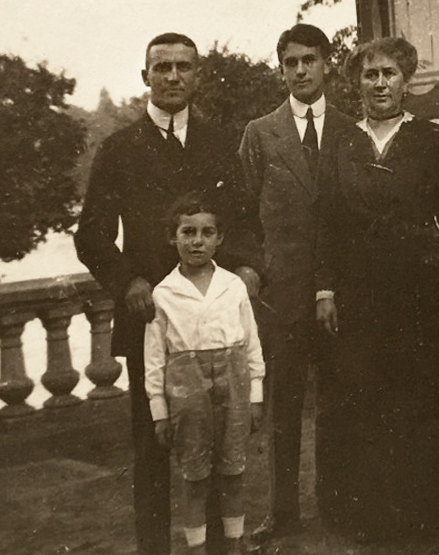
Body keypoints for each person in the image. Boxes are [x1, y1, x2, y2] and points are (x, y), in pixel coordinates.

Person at [75, 33, 253, 555]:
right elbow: (91, 234)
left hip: (217, 324)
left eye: (184, 67)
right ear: (146, 76)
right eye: (162, 67)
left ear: (197, 76)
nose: (173, 77)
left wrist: (247, 267)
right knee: (154, 446)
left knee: (224, 448)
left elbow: (243, 222)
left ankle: (222, 548)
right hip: (150, 318)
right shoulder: (120, 148)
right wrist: (128, 279)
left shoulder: (221, 142)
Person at [314, 37, 439, 540]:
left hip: (415, 294)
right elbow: (326, 222)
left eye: (389, 73)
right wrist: (325, 290)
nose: (379, 83)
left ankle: (419, 514)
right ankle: (369, 519)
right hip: (357, 295)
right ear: (357, 83)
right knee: (362, 397)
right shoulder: (342, 143)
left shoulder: (434, 140)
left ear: (407, 80)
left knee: (416, 397)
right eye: (370, 74)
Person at [238, 23, 353, 541]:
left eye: (310, 59)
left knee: (341, 403)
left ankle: (338, 506)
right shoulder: (260, 133)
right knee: (283, 408)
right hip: (281, 298)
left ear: (326, 63)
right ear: (280, 67)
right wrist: (255, 272)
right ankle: (281, 512)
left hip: (341, 296)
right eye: (291, 62)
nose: (301, 70)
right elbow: (242, 215)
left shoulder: (353, 129)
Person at [144, 195, 265, 555]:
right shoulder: (163, 294)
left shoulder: (233, 286)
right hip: (187, 389)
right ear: (173, 238)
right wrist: (159, 412)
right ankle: (196, 550)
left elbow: (251, 344)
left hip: (234, 381)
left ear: (219, 239)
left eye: (207, 232)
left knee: (232, 472)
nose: (197, 241)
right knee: (194, 477)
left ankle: (233, 544)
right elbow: (155, 360)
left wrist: (255, 396)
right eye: (188, 232)